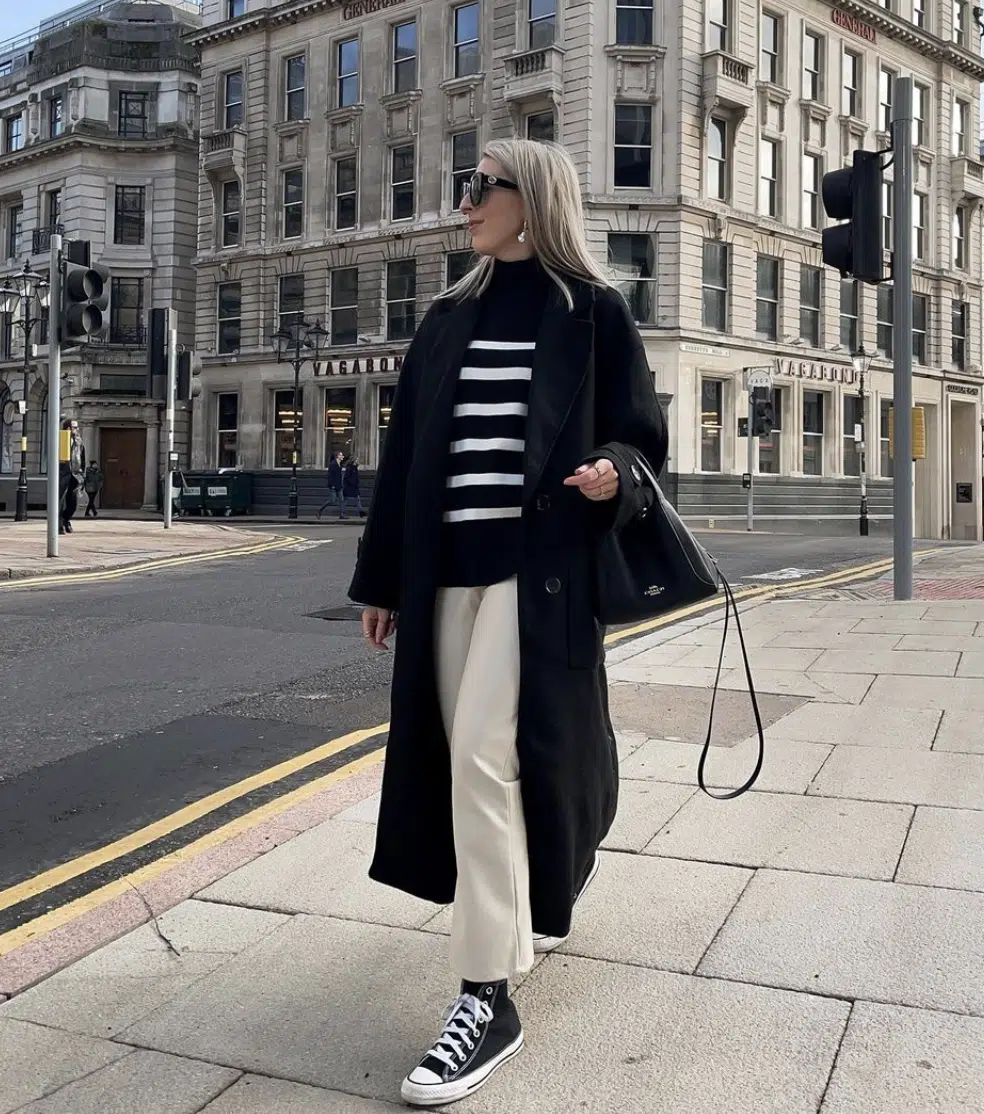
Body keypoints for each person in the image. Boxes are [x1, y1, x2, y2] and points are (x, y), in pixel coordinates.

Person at [349, 138, 667, 1107]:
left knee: (486, 755)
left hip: (541, 579)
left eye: (478, 187)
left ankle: (487, 994)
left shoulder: (595, 315)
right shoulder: (448, 319)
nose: (462, 204)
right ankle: (519, 914)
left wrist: (614, 471)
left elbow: (643, 438)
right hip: (447, 574)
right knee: (467, 761)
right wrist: (382, 580)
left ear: (530, 199)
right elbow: (406, 459)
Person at [58, 418, 86, 535]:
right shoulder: (60, 439)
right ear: (68, 428)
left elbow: (82, 458)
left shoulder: (79, 441)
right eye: (75, 427)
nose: (77, 429)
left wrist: (82, 474)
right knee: (61, 501)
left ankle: (66, 519)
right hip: (64, 474)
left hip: (76, 474)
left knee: (73, 503)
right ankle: (59, 524)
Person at [318, 450, 345, 518]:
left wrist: (341, 484)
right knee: (332, 500)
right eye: (341, 455)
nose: (343, 456)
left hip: (339, 486)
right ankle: (320, 510)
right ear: (337, 456)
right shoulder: (333, 464)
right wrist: (332, 485)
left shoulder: (340, 464)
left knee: (342, 500)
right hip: (333, 486)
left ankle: (341, 515)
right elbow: (330, 476)